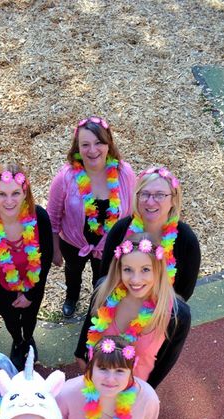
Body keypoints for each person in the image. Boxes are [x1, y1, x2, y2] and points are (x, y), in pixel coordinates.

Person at [74, 234, 191, 388]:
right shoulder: (105, 291)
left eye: (145, 269)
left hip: (134, 392)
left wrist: (144, 392)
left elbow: (165, 363)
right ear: (119, 268)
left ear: (159, 270)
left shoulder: (176, 315)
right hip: (96, 383)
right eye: (128, 269)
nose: (135, 280)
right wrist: (81, 356)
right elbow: (90, 324)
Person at [47, 116, 135, 317]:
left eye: (98, 143)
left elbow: (132, 212)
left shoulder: (124, 174)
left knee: (101, 276)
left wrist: (130, 245)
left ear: (108, 143)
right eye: (85, 144)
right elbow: (53, 216)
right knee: (73, 271)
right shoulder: (65, 177)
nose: (92, 150)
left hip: (108, 244)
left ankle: (97, 303)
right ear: (77, 147)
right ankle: (71, 297)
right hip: (73, 242)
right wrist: (55, 249)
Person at [0, 163, 53, 370]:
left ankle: (29, 337)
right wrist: (7, 295)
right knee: (12, 320)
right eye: (2, 194)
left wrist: (30, 294)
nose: (9, 201)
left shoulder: (40, 218)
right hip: (1, 290)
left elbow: (46, 258)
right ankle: (17, 340)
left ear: (25, 193)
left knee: (30, 317)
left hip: (34, 285)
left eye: (15, 193)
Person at [101, 166, 200, 301]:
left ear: (173, 200)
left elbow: (184, 291)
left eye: (160, 195)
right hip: (120, 304)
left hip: (164, 308)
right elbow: (106, 276)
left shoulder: (186, 239)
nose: (150, 202)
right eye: (145, 194)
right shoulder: (120, 230)